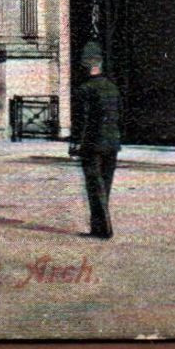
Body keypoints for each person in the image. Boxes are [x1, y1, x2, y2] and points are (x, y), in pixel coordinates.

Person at [69, 42, 121, 239]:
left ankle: (103, 228)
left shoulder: (84, 89)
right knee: (105, 185)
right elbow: (120, 116)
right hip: (112, 143)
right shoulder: (112, 88)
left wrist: (75, 144)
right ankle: (99, 226)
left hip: (92, 144)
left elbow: (81, 120)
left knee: (94, 186)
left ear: (86, 65)